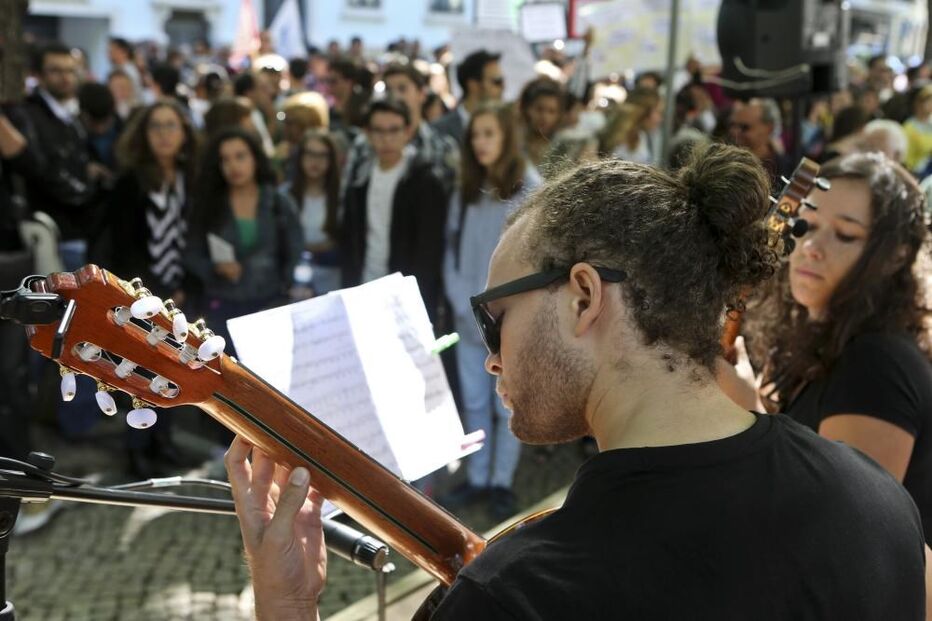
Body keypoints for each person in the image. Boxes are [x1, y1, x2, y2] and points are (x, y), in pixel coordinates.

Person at [226, 144, 926, 620]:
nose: (492, 357)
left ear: (584, 297)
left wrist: (287, 606)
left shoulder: (519, 595)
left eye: (495, 318)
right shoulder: (876, 502)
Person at [726, 151, 932, 545]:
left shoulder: (877, 364)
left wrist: (749, 416)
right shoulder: (819, 341)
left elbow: (844, 531)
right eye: (808, 225)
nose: (811, 247)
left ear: (896, 256)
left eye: (846, 235)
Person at [440, 103, 540, 520]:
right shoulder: (466, 187)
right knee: (475, 402)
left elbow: (534, 259)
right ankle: (478, 476)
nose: (481, 143)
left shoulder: (528, 187)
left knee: (508, 402)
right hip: (468, 314)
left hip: (509, 316)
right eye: (475, 135)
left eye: (489, 134)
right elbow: (452, 246)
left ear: (506, 137)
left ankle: (501, 481)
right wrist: (458, 295)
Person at [184, 128, 303, 355]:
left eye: (240, 156)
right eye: (225, 159)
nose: (233, 166)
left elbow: (295, 251)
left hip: (269, 305)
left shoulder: (279, 202)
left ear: (255, 158)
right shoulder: (208, 205)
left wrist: (284, 286)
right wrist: (214, 269)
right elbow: (191, 253)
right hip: (221, 307)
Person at [340, 98, 448, 319]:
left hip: (405, 296)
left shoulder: (425, 180)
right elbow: (351, 241)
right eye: (378, 131)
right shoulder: (360, 179)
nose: (386, 139)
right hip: (363, 287)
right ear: (368, 134)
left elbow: (429, 250)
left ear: (407, 132)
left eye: (394, 130)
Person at [285, 129, 342, 295]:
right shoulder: (285, 196)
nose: (315, 161)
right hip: (294, 283)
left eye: (322, 155)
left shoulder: (341, 196)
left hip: (331, 281)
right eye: (310, 154)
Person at [432, 50, 504, 146]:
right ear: (473, 85)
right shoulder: (438, 131)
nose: (503, 87)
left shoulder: (507, 126)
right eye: (497, 81)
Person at [517, 77, 565, 170]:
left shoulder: (561, 148)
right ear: (526, 109)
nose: (545, 117)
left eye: (551, 111)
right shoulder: (515, 143)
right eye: (539, 109)